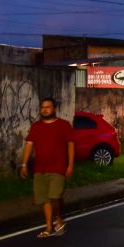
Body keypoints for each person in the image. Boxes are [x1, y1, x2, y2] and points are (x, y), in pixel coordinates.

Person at [19, 97, 75, 238]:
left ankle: (58, 218)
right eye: (42, 107)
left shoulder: (64, 125)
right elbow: (29, 144)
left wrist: (70, 165)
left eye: (48, 107)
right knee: (44, 199)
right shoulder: (36, 126)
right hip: (40, 168)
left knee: (55, 196)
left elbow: (71, 145)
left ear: (54, 108)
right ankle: (49, 227)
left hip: (58, 168)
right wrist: (24, 164)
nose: (44, 110)